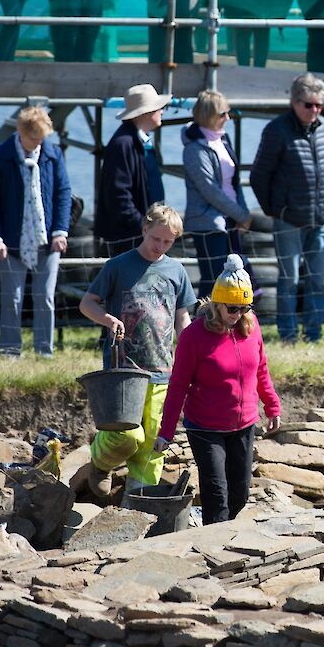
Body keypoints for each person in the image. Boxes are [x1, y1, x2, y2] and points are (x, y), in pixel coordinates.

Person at [78, 205, 195, 499]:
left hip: (162, 371)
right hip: (124, 373)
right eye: (156, 239)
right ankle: (100, 464)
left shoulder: (176, 271)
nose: (160, 247)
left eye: (168, 242)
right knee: (127, 434)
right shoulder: (118, 266)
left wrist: (190, 351)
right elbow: (87, 303)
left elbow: (182, 317)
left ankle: (138, 499)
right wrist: (107, 318)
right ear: (144, 229)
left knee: (154, 439)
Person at [155, 255, 279, 525]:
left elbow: (261, 369)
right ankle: (214, 550)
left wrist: (272, 406)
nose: (238, 314)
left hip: (244, 425)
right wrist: (166, 432)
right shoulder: (193, 337)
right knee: (216, 495)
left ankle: (230, 540)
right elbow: (178, 387)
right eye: (232, 308)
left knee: (239, 495)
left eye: (244, 308)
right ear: (216, 304)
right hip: (205, 428)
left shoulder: (251, 326)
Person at [250, 73, 324, 344]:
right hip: (289, 218)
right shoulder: (276, 130)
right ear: (294, 102)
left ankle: (313, 334)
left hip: (322, 215)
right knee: (290, 279)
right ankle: (287, 335)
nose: (314, 111)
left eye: (319, 105)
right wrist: (275, 210)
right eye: (308, 105)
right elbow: (259, 175)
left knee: (317, 279)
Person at [182, 90, 256, 299]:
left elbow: (234, 181)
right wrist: (241, 215)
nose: (228, 118)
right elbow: (209, 189)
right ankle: (202, 327)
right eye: (223, 114)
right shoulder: (194, 149)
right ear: (208, 115)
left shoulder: (224, 141)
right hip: (208, 223)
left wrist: (242, 211)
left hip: (229, 220)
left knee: (234, 280)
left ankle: (226, 328)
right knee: (213, 282)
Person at [96, 83, 168, 255]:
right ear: (145, 112)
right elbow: (119, 195)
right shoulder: (123, 144)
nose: (162, 111)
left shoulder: (137, 141)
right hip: (129, 237)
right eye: (158, 107)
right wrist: (143, 226)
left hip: (142, 233)